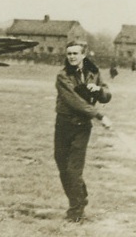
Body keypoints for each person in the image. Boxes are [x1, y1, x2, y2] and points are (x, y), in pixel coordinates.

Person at [54, 41, 112, 222]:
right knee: (63, 168)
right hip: (63, 125)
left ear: (83, 55)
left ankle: (76, 210)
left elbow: (107, 94)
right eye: (69, 53)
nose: (71, 56)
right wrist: (100, 116)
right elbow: (74, 101)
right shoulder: (62, 76)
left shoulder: (93, 73)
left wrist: (99, 90)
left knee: (73, 170)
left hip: (82, 127)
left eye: (75, 53)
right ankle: (81, 197)